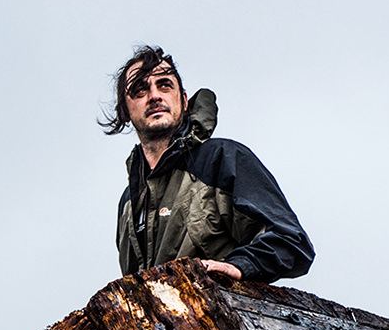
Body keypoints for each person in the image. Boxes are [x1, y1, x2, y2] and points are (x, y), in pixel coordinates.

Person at [105, 46, 313, 284]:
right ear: (125, 110)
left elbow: (290, 242)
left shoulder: (221, 159)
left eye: (164, 85)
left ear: (183, 100)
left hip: (222, 315)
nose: (154, 96)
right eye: (140, 89)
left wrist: (240, 266)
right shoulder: (129, 203)